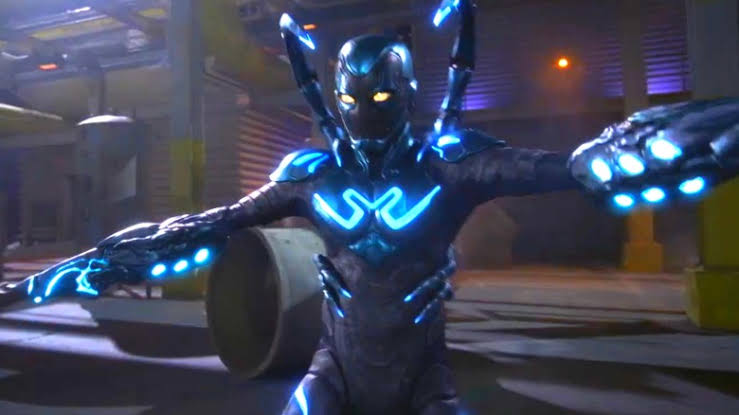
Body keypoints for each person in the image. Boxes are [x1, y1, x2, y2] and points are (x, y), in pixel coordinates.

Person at [0, 1, 737, 414]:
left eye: (378, 96)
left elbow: (573, 168)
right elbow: (198, 229)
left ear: (406, 93)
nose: (364, 111)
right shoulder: (315, 176)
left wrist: (635, 154)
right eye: (354, 99)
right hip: (332, 371)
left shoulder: (450, 165)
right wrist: (50, 280)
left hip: (425, 380)